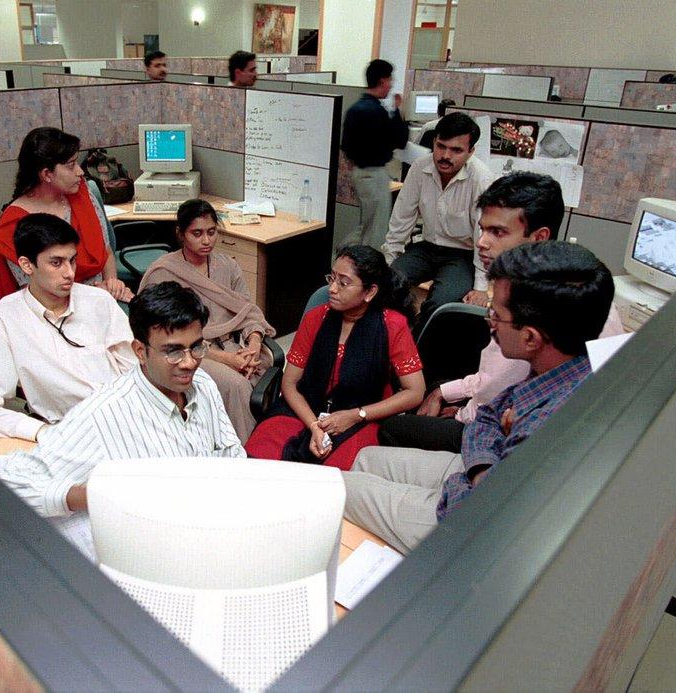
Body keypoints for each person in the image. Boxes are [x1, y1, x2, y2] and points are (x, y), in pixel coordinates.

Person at [344, 241, 615, 554]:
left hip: (470, 524)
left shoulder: (549, 423)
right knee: (364, 458)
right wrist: (481, 471)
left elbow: (486, 514)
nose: (488, 321)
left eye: (496, 314)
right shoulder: (562, 364)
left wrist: (474, 481)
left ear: (530, 338)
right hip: (481, 476)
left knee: (340, 490)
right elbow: (486, 418)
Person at [378, 172, 624, 452]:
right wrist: (446, 391)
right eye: (482, 229)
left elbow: (495, 390)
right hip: (508, 402)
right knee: (439, 375)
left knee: (394, 428)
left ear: (539, 236)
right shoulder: (563, 276)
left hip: (503, 428)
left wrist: (460, 413)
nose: (482, 242)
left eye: (498, 232)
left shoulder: (535, 303)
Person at [1, 281, 244, 518]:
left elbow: (231, 454)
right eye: (173, 351)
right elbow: (16, 483)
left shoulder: (202, 383)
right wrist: (99, 496)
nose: (189, 362)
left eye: (196, 347)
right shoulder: (104, 414)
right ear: (140, 351)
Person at [0, 213, 136, 441]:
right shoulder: (4, 319)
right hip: (67, 431)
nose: (69, 273)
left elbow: (137, 371)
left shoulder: (99, 301)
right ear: (26, 265)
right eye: (56, 263)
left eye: (72, 260)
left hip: (127, 420)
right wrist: (40, 432)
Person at [245, 246, 425, 471]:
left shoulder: (392, 326)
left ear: (369, 292)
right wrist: (314, 426)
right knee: (259, 457)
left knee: (335, 477)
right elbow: (289, 383)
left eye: (343, 282)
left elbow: (415, 392)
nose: (332, 289)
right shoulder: (316, 318)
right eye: (332, 278)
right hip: (306, 409)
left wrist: (356, 415)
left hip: (361, 418)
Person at [139, 200, 275, 443]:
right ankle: (243, 450)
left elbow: (248, 311)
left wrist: (253, 345)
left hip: (234, 344)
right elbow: (166, 338)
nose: (206, 241)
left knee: (266, 365)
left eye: (212, 232)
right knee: (237, 385)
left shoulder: (227, 265)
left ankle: (266, 440)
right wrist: (227, 360)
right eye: (197, 233)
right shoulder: (163, 272)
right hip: (194, 351)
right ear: (180, 234)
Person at [382, 112, 495, 332]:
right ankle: (391, 340)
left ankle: (416, 352)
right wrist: (389, 261)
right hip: (426, 248)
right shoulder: (420, 167)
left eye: (456, 150)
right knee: (387, 285)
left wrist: (481, 288)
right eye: (441, 146)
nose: (445, 155)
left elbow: (483, 237)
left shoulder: (481, 178)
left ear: (470, 152)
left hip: (462, 255)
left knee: (440, 304)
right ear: (433, 142)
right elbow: (402, 217)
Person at [0, 127, 132, 302]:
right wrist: (97, 294)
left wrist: (112, 284)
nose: (80, 171)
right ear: (47, 174)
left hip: (101, 296)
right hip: (52, 312)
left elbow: (107, 251)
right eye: (71, 165)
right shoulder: (13, 224)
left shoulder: (81, 194)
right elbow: (36, 295)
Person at [340, 59, 410, 251]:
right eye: (390, 80)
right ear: (382, 81)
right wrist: (397, 111)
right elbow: (400, 140)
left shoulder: (354, 109)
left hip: (359, 173)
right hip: (375, 174)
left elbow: (345, 146)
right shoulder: (377, 112)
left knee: (367, 222)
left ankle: (348, 254)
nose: (391, 85)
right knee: (376, 229)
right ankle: (357, 260)